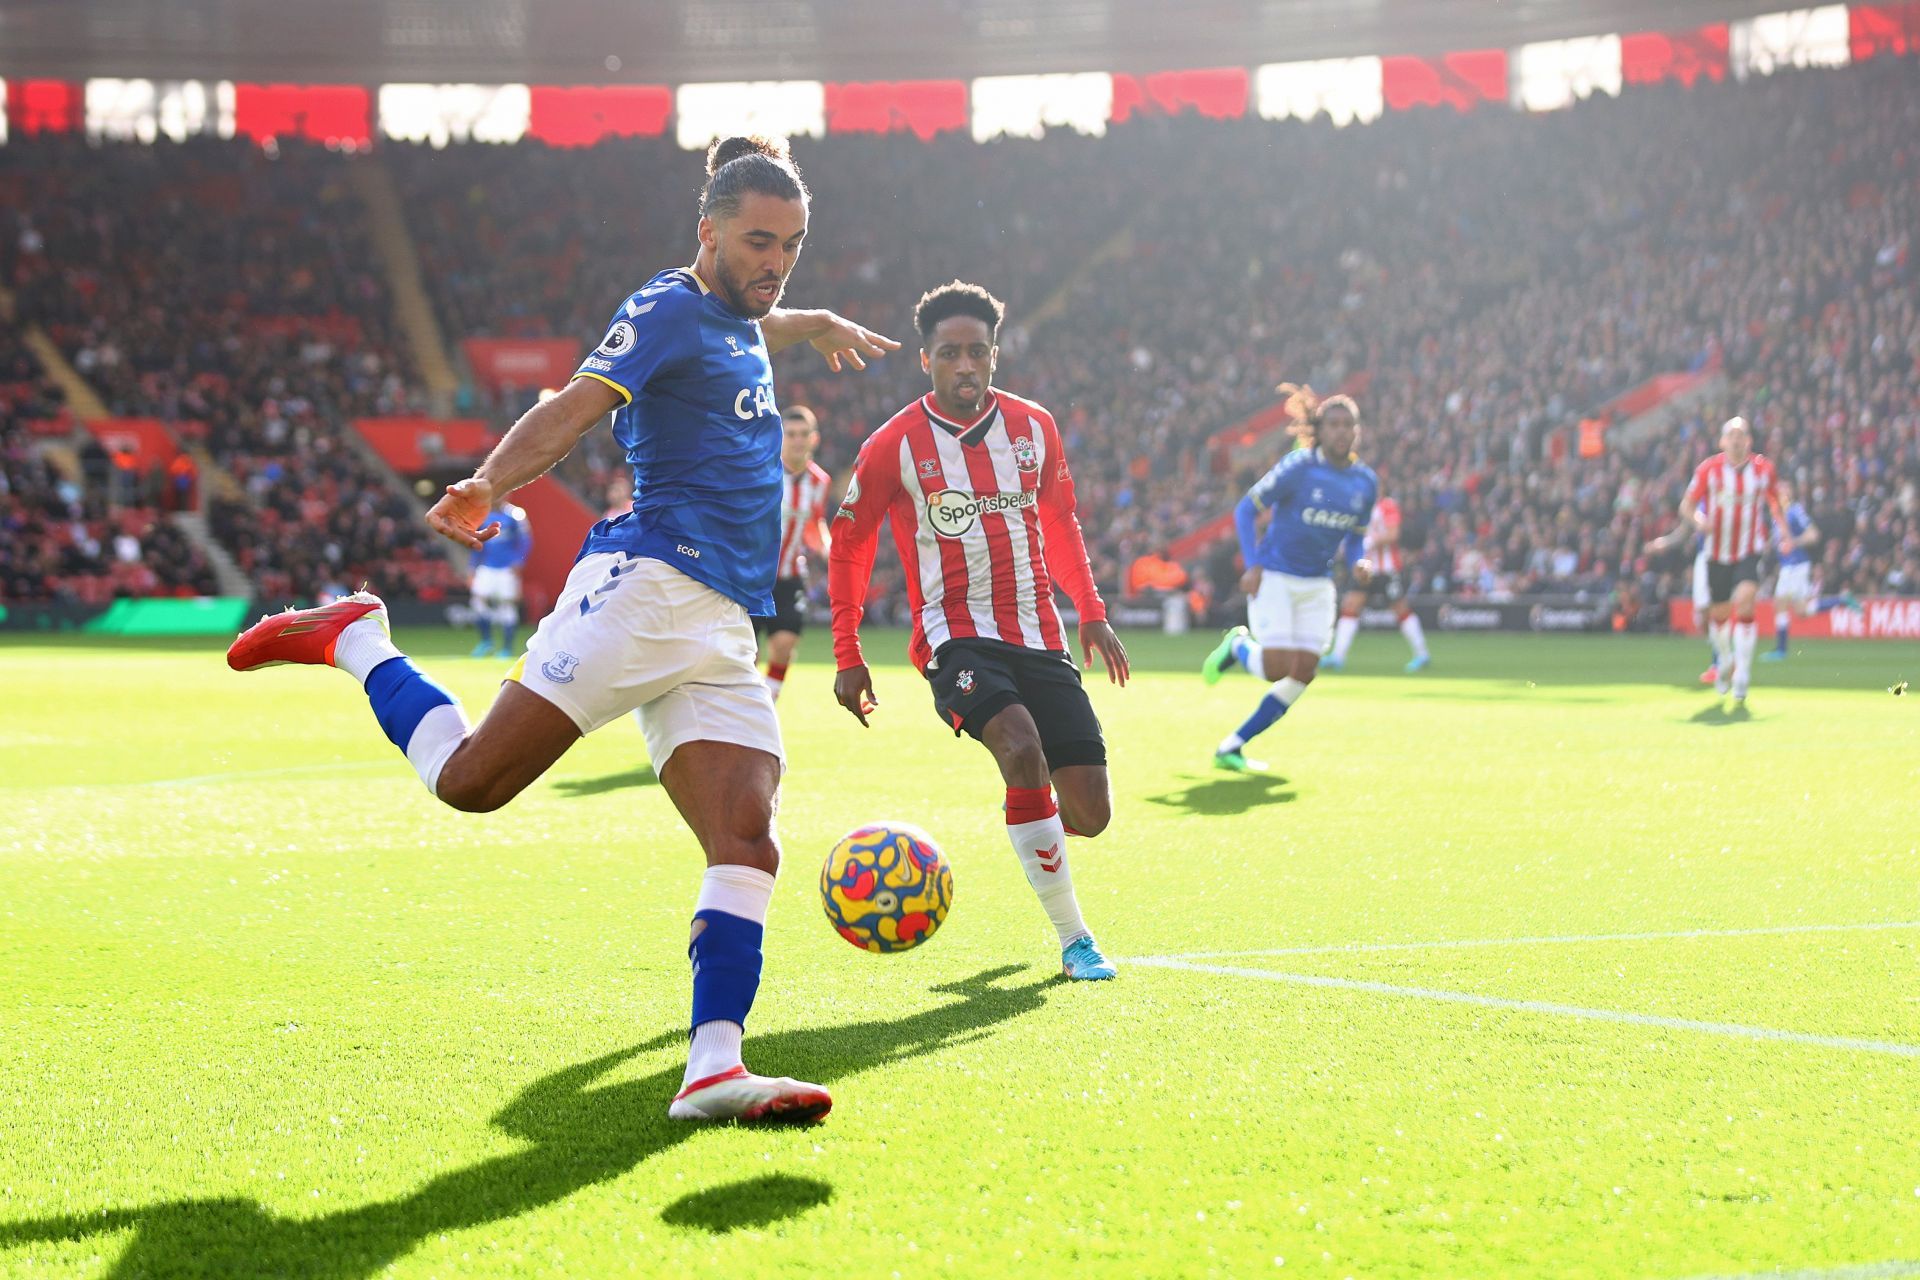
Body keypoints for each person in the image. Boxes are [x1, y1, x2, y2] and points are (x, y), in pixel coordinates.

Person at [225, 134, 899, 1124]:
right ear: (706, 232)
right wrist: (488, 481)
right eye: (758, 242)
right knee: (470, 783)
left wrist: (814, 318)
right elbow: (575, 408)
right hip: (647, 586)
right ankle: (359, 634)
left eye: (791, 246)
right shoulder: (669, 305)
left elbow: (766, 320)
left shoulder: (744, 313)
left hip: (718, 623)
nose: (775, 263)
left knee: (747, 841)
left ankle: (713, 1068)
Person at [827, 281, 1129, 982]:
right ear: (926, 360)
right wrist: (848, 652)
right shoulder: (893, 444)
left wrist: (1090, 610)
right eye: (950, 353)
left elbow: (1059, 521)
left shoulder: (1034, 427)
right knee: (1020, 747)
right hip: (955, 636)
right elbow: (850, 546)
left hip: (1038, 635)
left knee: (1090, 811)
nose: (966, 365)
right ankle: (1076, 939)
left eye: (978, 352)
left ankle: (1031, 830)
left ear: (995, 355)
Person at [1201, 384, 1377, 771]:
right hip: (1276, 575)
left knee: (1304, 672)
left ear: (1357, 431)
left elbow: (1355, 539)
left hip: (1318, 583)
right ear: (1321, 428)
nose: (1341, 431)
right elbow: (1246, 510)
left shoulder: (1365, 482)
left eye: (1348, 424)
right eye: (1333, 424)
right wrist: (1253, 564)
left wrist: (1360, 562)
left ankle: (1232, 745)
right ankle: (1238, 647)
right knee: (1277, 668)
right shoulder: (1299, 468)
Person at [1643, 416, 1787, 706]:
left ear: (1749, 441)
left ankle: (1743, 673)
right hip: (1716, 552)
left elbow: (1774, 500)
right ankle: (1725, 660)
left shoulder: (1763, 470)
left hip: (1749, 549)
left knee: (1746, 600)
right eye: (1731, 434)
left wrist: (1782, 529)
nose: (1736, 439)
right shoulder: (1709, 469)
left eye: (1741, 434)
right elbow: (1687, 506)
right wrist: (1700, 521)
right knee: (1719, 617)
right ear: (1722, 442)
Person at [758, 405, 832, 700]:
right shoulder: (762, 471)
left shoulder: (819, 481)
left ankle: (767, 707)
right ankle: (745, 713)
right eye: (791, 434)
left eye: (804, 434)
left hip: (789, 575)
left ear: (814, 439)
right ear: (780, 437)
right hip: (751, 575)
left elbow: (814, 522)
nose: (798, 440)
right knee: (745, 653)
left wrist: (827, 548)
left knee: (784, 646)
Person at [1323, 484, 1429, 672]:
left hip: (1386, 569)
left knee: (1400, 609)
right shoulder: (1359, 507)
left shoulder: (1387, 505)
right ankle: (1337, 657)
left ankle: (1422, 654)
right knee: (1350, 606)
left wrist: (1370, 541)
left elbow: (1393, 533)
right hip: (1364, 569)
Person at [1763, 478, 1856, 660]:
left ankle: (1781, 650)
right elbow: (1778, 541)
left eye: (1784, 489)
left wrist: (1794, 542)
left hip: (1796, 565)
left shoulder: (1795, 511)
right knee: (1802, 611)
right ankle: (1842, 600)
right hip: (1788, 565)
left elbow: (1814, 534)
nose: (1780, 493)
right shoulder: (1777, 515)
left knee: (1779, 602)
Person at [468, 500, 531, 657]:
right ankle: (486, 641)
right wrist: (472, 567)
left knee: (506, 606)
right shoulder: (483, 514)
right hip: (487, 567)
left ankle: (506, 649)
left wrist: (519, 561)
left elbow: (525, 541)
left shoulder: (515, 514)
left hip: (506, 569)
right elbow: (478, 541)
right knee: (478, 601)